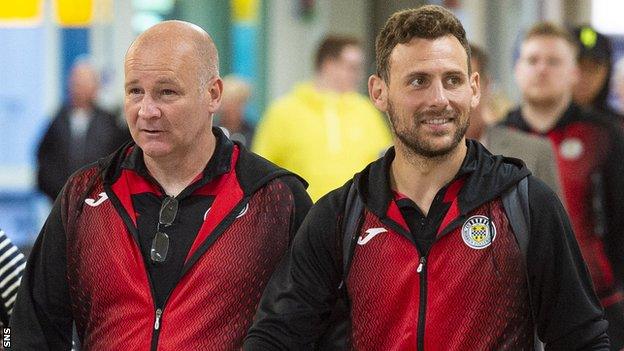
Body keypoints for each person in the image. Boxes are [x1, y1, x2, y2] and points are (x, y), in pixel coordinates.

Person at [244, 6, 609, 350]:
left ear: (474, 88)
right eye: (418, 81)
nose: (439, 99)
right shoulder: (341, 216)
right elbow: (276, 336)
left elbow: (582, 339)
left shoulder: (525, 204)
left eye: (452, 80)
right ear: (379, 91)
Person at [11, 20, 312, 350]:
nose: (147, 110)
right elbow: (32, 328)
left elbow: (313, 328)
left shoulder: (274, 199)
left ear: (213, 94)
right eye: (135, 91)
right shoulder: (86, 193)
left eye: (167, 92)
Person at [504, 22, 624, 349]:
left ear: (573, 73)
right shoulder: (493, 140)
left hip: (598, 305)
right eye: (532, 60)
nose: (541, 69)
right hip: (512, 311)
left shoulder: (605, 135)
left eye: (553, 61)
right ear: (517, 69)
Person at [252, 35, 392, 201]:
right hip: (301, 219)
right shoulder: (283, 112)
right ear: (328, 65)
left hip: (356, 218)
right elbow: (258, 173)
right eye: (352, 67)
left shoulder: (367, 111)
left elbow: (386, 165)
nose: (359, 75)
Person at [465, 43, 561, 196]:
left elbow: (552, 218)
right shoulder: (418, 158)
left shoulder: (534, 153)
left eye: (463, 81)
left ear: (485, 85)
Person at [36, 60, 130, 201]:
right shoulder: (58, 120)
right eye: (77, 83)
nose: (79, 89)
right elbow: (44, 160)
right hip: (61, 201)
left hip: (101, 202)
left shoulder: (110, 123)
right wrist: (60, 192)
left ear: (96, 87)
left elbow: (120, 161)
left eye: (85, 84)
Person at [572, 25, 624, 123]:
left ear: (606, 73)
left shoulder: (617, 128)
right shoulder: (541, 122)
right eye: (579, 66)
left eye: (593, 68)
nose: (585, 76)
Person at [216, 75, 256, 147]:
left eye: (238, 103)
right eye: (227, 103)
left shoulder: (254, 132)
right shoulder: (213, 132)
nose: (232, 109)